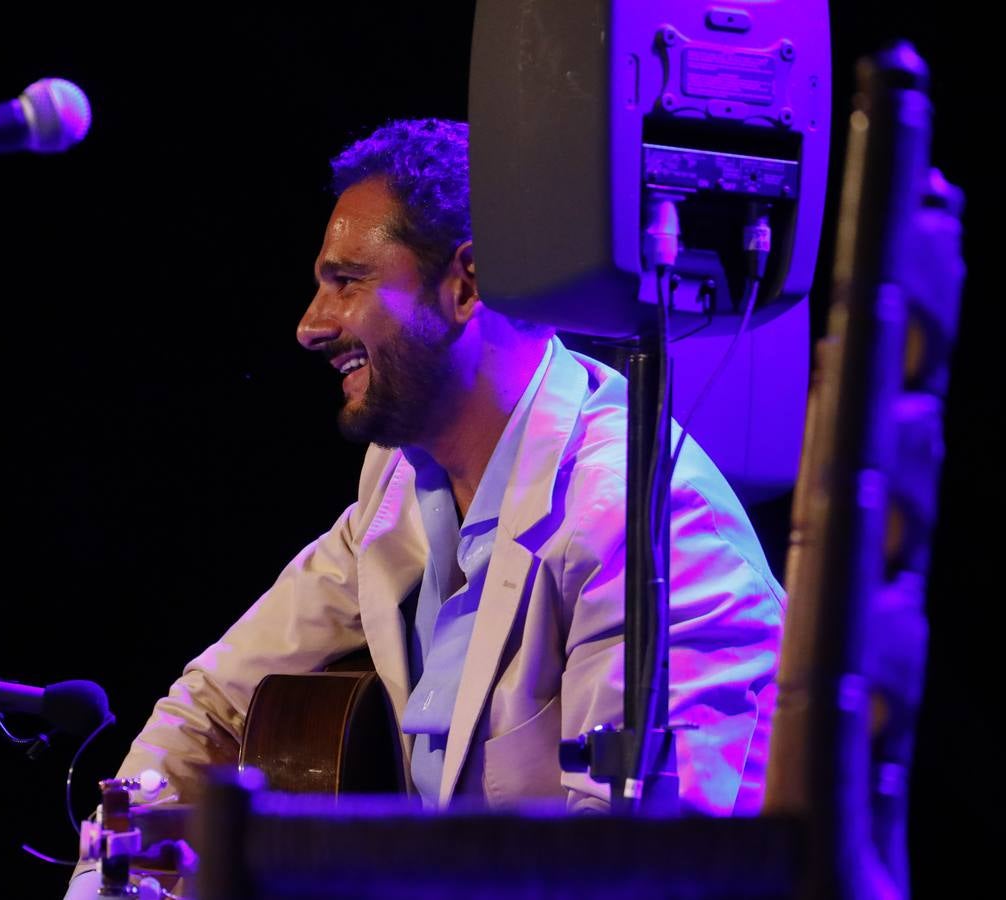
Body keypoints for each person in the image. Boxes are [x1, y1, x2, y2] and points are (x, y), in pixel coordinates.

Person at [93, 116, 783, 848]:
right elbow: (213, 705)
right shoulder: (399, 482)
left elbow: (635, 868)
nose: (309, 325)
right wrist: (105, 879)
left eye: (346, 282)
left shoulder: (646, 519)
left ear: (468, 283)